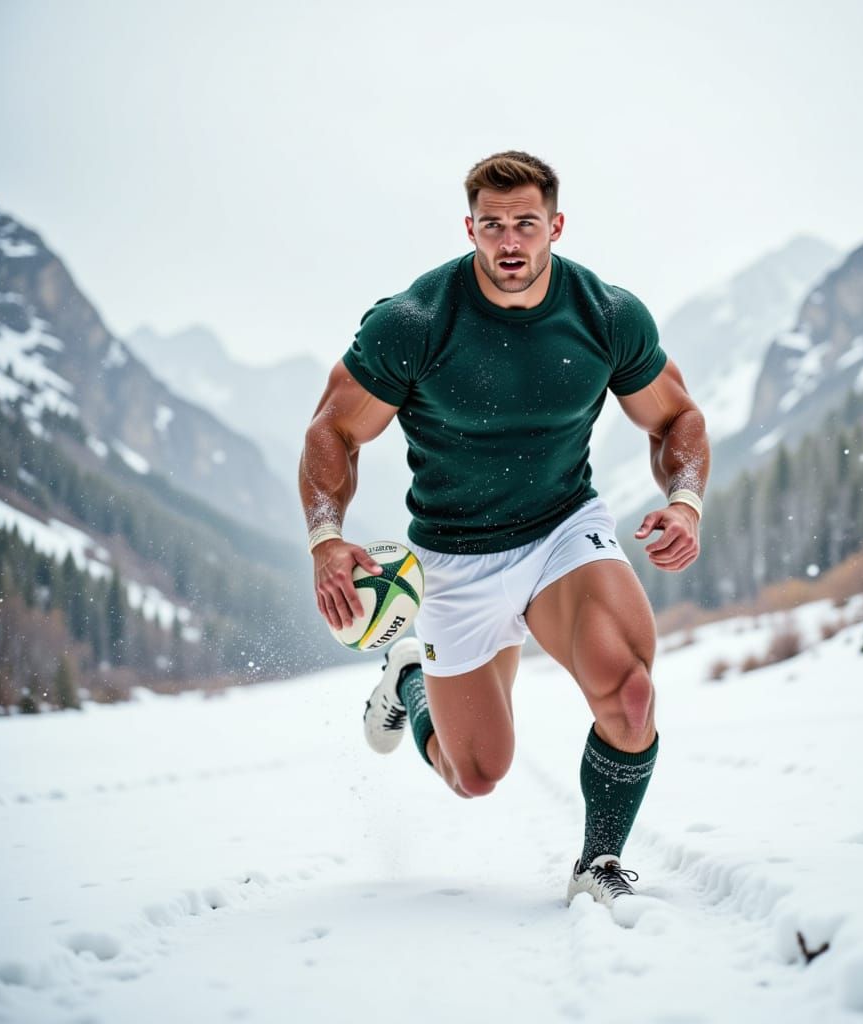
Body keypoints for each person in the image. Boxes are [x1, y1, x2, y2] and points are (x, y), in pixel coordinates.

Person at [299, 151, 709, 910]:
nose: (510, 242)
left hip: (563, 529)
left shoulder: (606, 314)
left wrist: (684, 501)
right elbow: (334, 429)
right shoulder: (415, 322)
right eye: (493, 225)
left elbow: (677, 416)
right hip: (453, 560)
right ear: (471, 228)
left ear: (555, 225)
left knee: (631, 694)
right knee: (477, 775)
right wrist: (328, 538)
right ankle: (410, 678)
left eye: (526, 222)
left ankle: (599, 862)